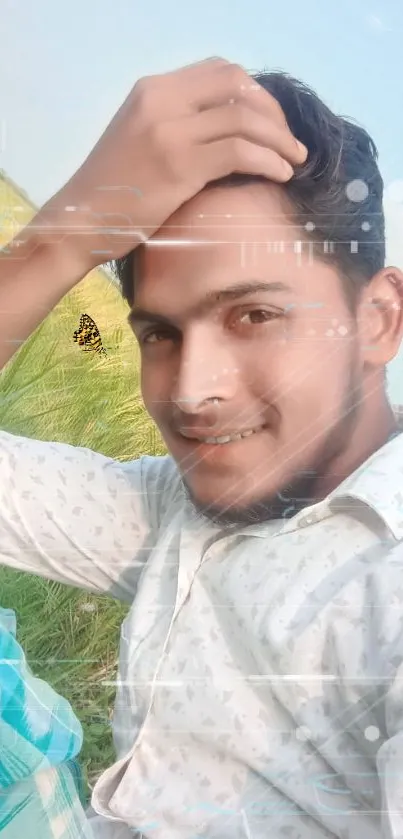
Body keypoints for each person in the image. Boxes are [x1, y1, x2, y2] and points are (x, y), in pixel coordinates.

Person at [1, 55, 403, 839]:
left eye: (253, 315)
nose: (189, 391)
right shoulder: (172, 510)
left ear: (379, 319)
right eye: (159, 333)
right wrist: (64, 236)